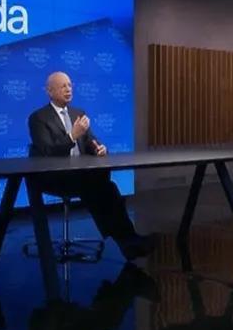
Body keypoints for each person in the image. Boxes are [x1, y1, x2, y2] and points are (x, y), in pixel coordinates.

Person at [28, 71, 155, 260]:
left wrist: (99, 149)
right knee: (100, 188)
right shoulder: (38, 118)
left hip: (80, 175)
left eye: (70, 85)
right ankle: (127, 241)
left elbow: (90, 141)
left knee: (107, 188)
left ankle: (128, 240)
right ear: (50, 91)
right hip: (54, 177)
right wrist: (72, 136)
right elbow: (47, 152)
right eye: (63, 86)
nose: (68, 89)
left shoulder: (78, 113)